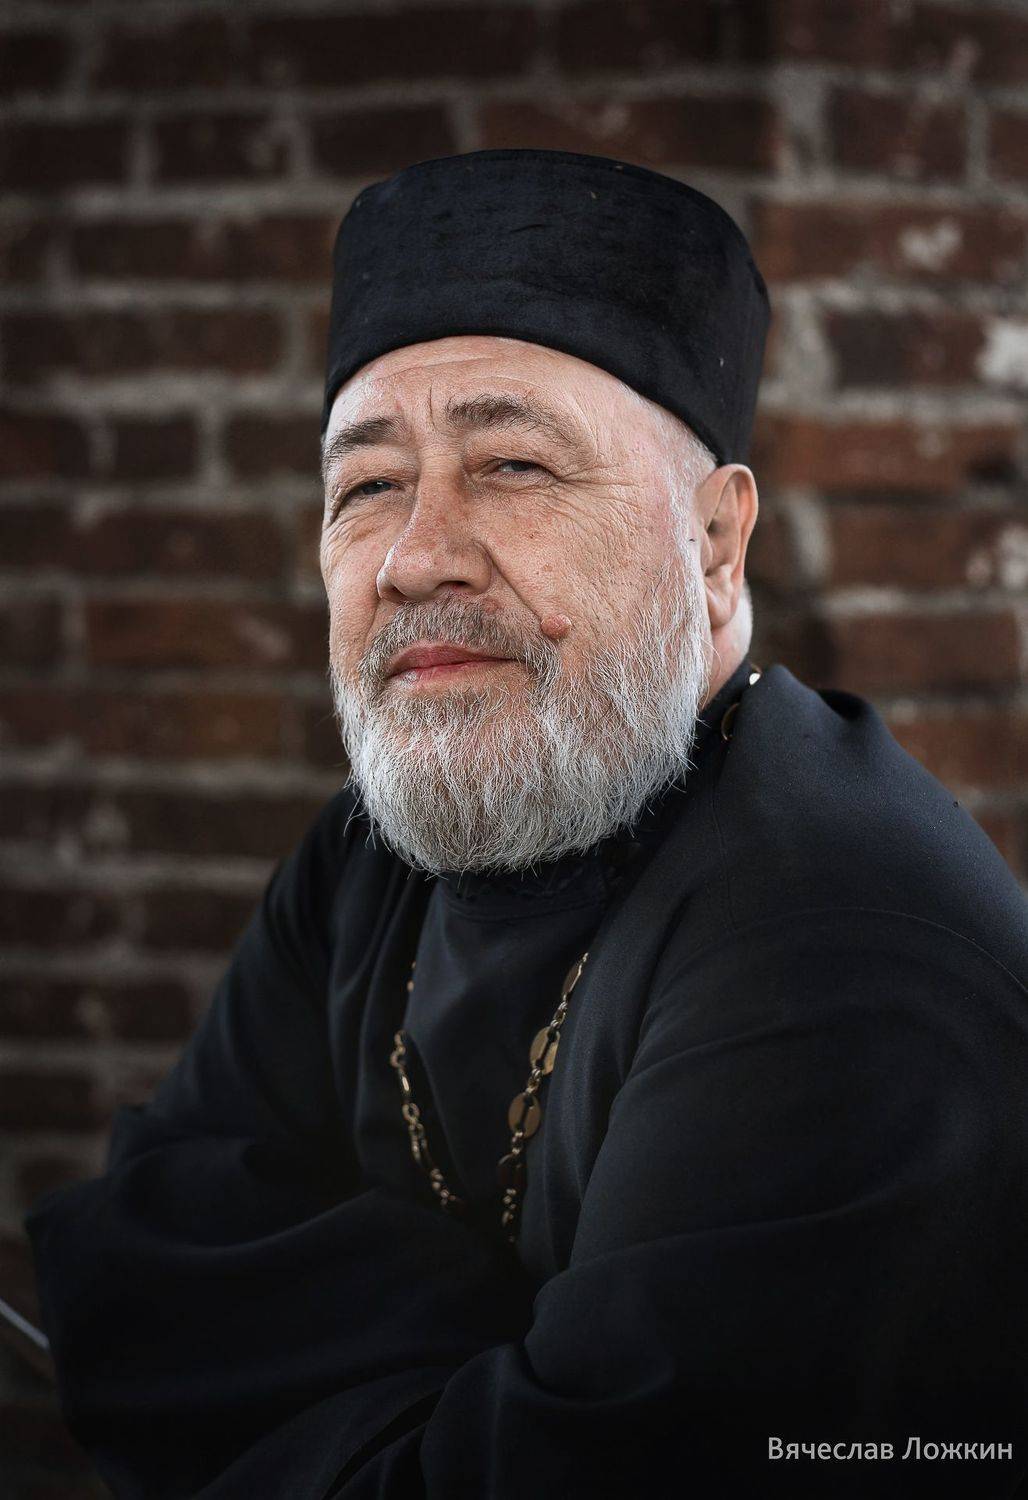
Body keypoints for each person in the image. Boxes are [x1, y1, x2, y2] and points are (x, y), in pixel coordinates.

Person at [25, 150, 1028, 1499]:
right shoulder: (369, 858)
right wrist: (498, 1353)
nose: (415, 557)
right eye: (366, 486)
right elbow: (135, 1264)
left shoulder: (851, 955)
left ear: (715, 544)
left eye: (511, 464)